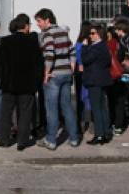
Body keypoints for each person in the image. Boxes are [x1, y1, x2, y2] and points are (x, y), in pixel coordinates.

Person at [36, 8, 80, 150]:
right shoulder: (63, 32)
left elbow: (49, 54)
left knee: (52, 109)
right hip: (66, 73)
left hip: (54, 75)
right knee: (67, 107)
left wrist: (46, 73)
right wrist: (71, 68)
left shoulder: (48, 34)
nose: (38, 24)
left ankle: (51, 140)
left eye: (39, 21)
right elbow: (72, 51)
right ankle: (74, 138)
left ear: (47, 20)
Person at [0, 15, 41, 150]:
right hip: (27, 85)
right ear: (26, 26)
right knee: (25, 113)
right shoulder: (32, 42)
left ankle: (4, 139)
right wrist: (36, 83)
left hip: (9, 83)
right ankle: (22, 141)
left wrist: (3, 78)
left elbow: (0, 63)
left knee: (6, 112)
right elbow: (38, 64)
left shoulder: (5, 41)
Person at [81, 24, 113, 145]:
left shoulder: (97, 47)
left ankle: (99, 135)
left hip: (95, 81)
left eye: (93, 33)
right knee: (102, 107)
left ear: (99, 34)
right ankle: (105, 133)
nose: (90, 36)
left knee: (97, 108)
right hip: (101, 80)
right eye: (90, 33)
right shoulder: (103, 46)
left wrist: (84, 47)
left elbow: (85, 60)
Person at [74, 22, 92, 134]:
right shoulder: (89, 42)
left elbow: (76, 56)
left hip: (79, 71)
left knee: (80, 98)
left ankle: (80, 123)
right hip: (87, 71)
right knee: (88, 97)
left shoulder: (78, 42)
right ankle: (89, 122)